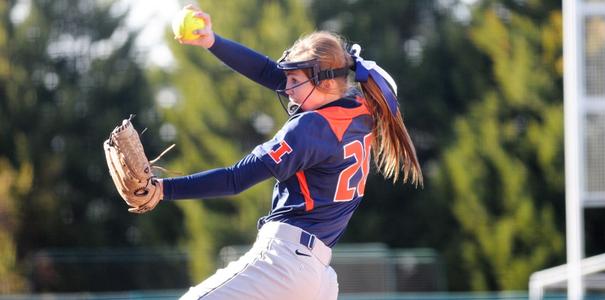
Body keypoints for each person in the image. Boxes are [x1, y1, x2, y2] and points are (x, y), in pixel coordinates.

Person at [149, 5, 423, 300]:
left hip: (283, 263)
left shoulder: (310, 128)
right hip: (318, 276)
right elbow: (271, 72)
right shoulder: (360, 109)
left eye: (294, 80)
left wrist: (162, 189)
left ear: (328, 82)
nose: (286, 87)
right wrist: (213, 41)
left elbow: (235, 179)